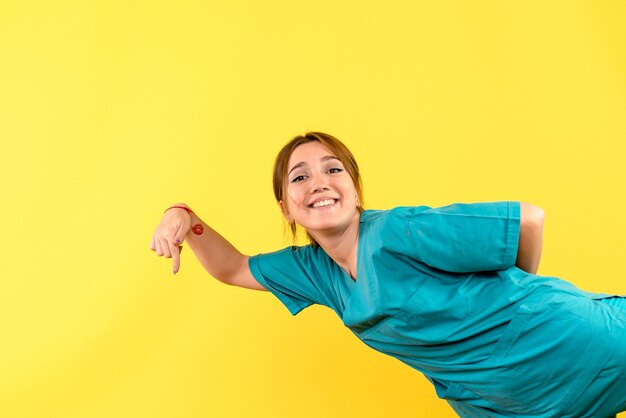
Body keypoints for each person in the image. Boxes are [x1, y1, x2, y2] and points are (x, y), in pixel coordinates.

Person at [150, 132, 626, 417]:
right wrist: (183, 215)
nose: (318, 182)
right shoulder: (313, 270)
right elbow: (232, 268)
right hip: (513, 403)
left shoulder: (398, 231)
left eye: (332, 169)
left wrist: (509, 308)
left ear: (355, 191)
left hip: (580, 347)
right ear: (286, 209)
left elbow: (528, 221)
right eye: (299, 177)